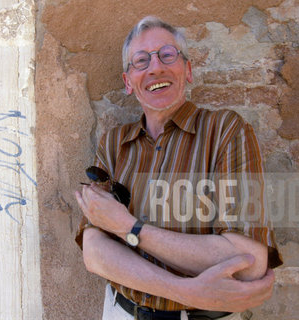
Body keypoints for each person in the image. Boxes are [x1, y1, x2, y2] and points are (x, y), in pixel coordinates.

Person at [75, 16, 282, 320]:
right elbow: (94, 252)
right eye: (141, 61)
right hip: (122, 312)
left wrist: (127, 227)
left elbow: (247, 263)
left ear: (187, 70)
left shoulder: (226, 130)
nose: (155, 67)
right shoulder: (114, 143)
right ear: (128, 82)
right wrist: (184, 289)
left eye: (167, 55)